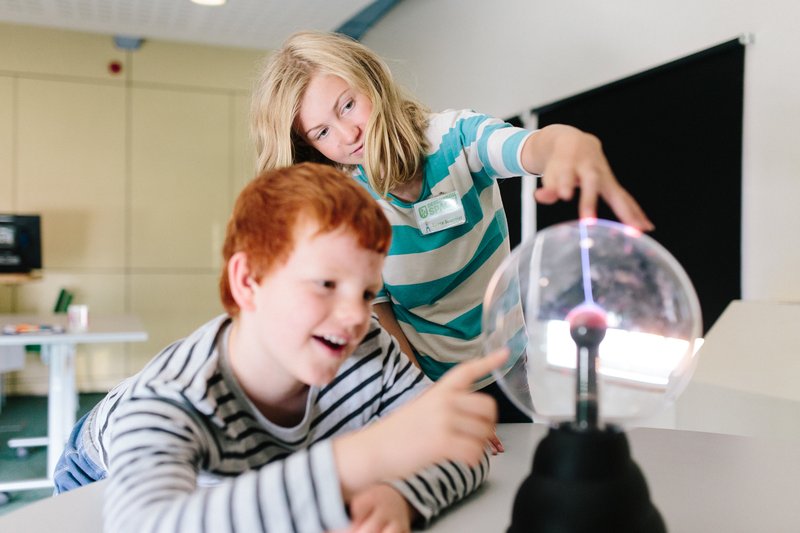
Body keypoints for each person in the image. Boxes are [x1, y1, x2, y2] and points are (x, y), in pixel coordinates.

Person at [53, 163, 507, 533]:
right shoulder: (172, 395)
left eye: (367, 293)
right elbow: (146, 524)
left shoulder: (368, 345)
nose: (355, 315)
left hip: (263, 471)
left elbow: (465, 448)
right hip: (104, 471)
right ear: (249, 282)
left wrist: (403, 496)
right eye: (326, 284)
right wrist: (364, 458)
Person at [250, 31, 654, 426]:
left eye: (348, 106)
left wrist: (570, 145)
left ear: (370, 80)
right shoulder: (344, 207)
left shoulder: (453, 138)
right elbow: (382, 314)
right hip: (428, 382)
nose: (348, 134)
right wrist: (422, 401)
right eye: (322, 132)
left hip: (508, 366)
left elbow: (530, 147)